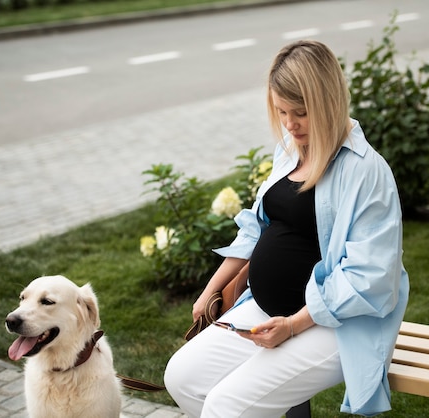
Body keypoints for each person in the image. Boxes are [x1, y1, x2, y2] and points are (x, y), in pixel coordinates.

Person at [164, 39, 409, 417]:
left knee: (225, 406)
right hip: (265, 311)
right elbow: (256, 228)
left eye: (300, 112)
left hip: (335, 325)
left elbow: (369, 277)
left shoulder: (366, 172)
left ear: (329, 102)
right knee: (182, 378)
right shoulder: (291, 150)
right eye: (281, 112)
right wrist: (211, 290)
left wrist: (293, 325)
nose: (290, 124)